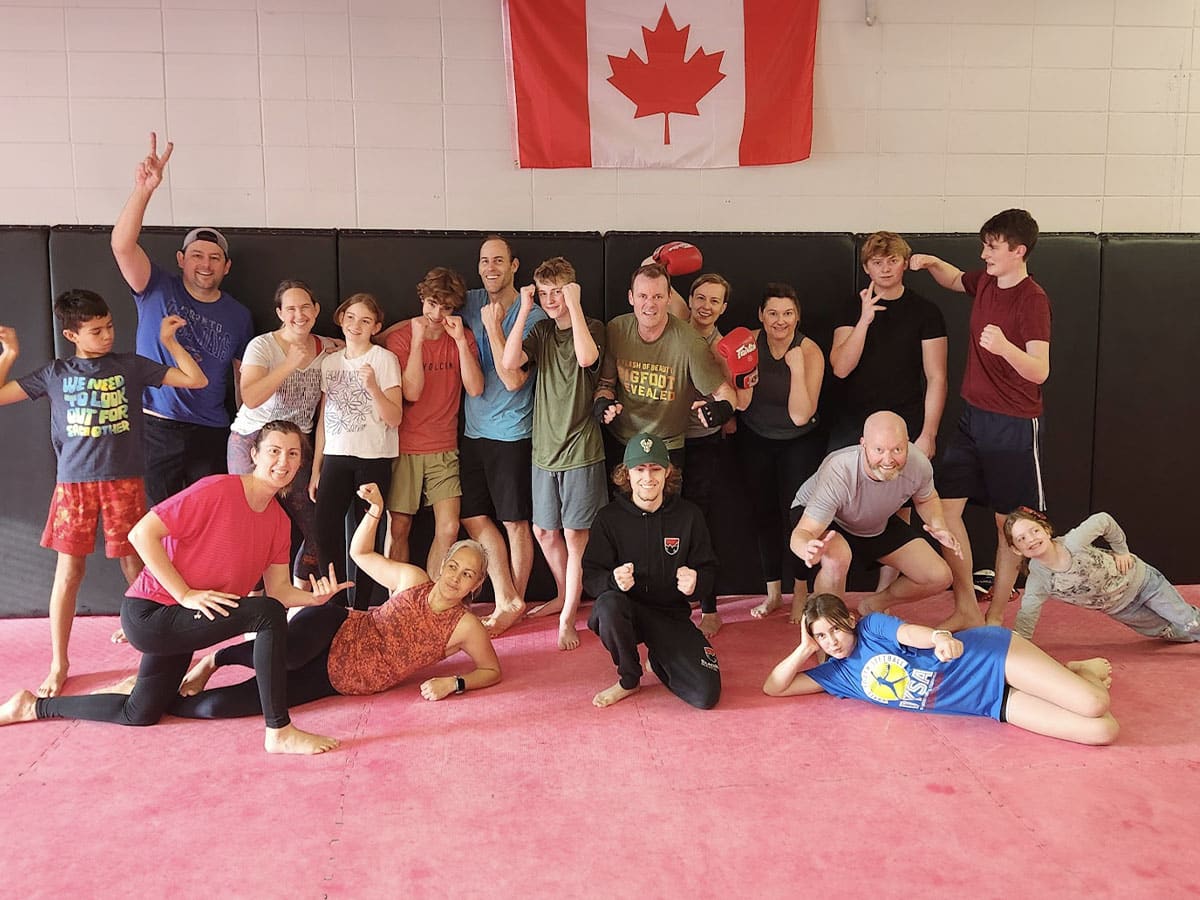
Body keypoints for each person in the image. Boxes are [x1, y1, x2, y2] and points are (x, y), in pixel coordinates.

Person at [0, 421, 346, 755]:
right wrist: (184, 594)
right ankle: (279, 731)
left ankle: (33, 706)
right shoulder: (217, 489)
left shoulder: (279, 522)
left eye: (292, 454)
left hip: (185, 620)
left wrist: (315, 598)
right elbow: (141, 534)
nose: (283, 461)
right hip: (151, 614)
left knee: (140, 712)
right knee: (267, 614)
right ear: (254, 454)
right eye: (274, 451)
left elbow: (280, 591)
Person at [0, 291, 206, 698]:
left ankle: (153, 639)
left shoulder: (129, 365)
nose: (107, 335)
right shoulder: (55, 372)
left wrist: (170, 343)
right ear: (71, 335)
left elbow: (195, 380)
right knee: (69, 573)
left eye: (109, 326)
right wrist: (9, 356)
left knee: (136, 565)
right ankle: (59, 662)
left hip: (123, 482)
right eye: (96, 331)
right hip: (74, 484)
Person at [170, 483, 501, 719]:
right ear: (443, 565)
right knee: (289, 656)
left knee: (225, 706)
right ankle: (216, 659)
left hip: (339, 679)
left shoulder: (466, 626)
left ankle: (164, 704)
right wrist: (375, 512)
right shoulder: (413, 579)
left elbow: (491, 670)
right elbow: (360, 553)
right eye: (453, 567)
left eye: (467, 574)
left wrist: (454, 683)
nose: (455, 578)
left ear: (477, 584)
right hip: (333, 628)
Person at [909, 209, 1050, 630]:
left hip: (1012, 425)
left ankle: (995, 615)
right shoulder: (986, 281)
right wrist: (932, 263)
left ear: (1018, 251)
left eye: (992, 246)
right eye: (984, 245)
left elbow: (1040, 370)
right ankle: (967, 605)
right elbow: (955, 279)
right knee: (943, 510)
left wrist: (1005, 347)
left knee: (1010, 525)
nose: (984, 254)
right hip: (973, 417)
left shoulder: (1032, 299)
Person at [763, 593, 1119, 746]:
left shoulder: (871, 628)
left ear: (851, 620)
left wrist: (938, 636)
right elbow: (774, 687)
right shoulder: (837, 675)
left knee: (1094, 704)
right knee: (1103, 732)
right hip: (987, 703)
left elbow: (908, 633)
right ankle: (1070, 673)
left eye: (836, 629)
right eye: (821, 636)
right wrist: (804, 648)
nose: (832, 641)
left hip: (989, 657)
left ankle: (1078, 672)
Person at [110, 133, 254, 505]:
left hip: (212, 429)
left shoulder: (239, 315)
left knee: (208, 518)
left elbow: (242, 377)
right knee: (159, 521)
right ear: (181, 259)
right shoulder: (155, 287)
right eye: (197, 256)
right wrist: (144, 190)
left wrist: (246, 429)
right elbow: (122, 246)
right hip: (156, 423)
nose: (205, 264)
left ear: (226, 266)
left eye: (214, 258)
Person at [493, 257, 607, 651]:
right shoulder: (541, 330)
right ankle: (563, 594)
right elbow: (509, 362)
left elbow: (586, 358)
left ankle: (567, 616)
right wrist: (525, 307)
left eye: (558, 291)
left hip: (580, 449)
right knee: (544, 531)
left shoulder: (591, 327)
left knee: (575, 536)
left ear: (572, 290)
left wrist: (573, 304)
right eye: (545, 293)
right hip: (544, 449)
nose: (551, 299)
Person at [829, 232, 949, 594]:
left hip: (904, 421)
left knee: (900, 504)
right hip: (853, 422)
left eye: (892, 261)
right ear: (866, 267)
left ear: (904, 263)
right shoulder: (852, 307)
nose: (885, 269)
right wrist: (865, 320)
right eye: (877, 262)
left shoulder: (926, 312)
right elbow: (840, 368)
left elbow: (937, 376)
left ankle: (882, 596)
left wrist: (928, 433)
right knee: (840, 500)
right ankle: (834, 590)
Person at [582, 432, 721, 709]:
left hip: (671, 617)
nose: (648, 477)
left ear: (667, 472)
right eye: (640, 469)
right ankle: (629, 679)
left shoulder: (689, 515)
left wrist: (697, 582)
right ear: (627, 473)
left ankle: (659, 660)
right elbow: (591, 576)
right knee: (608, 605)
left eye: (655, 469)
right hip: (627, 614)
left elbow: (709, 570)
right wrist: (612, 580)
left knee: (706, 695)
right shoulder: (608, 518)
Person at [789, 411, 961, 617]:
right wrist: (806, 548)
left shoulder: (919, 463)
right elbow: (802, 533)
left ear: (907, 443)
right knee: (837, 557)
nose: (888, 460)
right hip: (831, 521)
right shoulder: (839, 470)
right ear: (863, 444)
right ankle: (833, 625)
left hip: (873, 522)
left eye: (897, 449)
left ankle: (873, 605)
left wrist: (939, 525)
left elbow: (926, 498)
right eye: (879, 450)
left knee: (939, 576)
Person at [228, 280, 341, 586]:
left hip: (296, 445)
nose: (299, 315)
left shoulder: (328, 349)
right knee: (250, 526)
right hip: (252, 441)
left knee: (317, 529)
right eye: (290, 309)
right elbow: (250, 396)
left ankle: (296, 598)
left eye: (305, 307)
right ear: (279, 313)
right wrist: (290, 364)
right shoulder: (262, 346)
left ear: (316, 310)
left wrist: (316, 467)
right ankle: (253, 601)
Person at [462, 235, 547, 635]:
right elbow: (426, 314)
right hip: (472, 431)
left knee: (515, 522)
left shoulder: (534, 317)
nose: (490, 267)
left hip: (512, 433)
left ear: (514, 266)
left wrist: (494, 327)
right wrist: (362, 339)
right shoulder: (471, 300)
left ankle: (514, 602)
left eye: (498, 260)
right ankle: (507, 596)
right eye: (484, 261)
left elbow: (513, 379)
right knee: (472, 516)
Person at [379, 267, 483, 574]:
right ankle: (397, 597)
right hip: (405, 445)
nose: (437, 314)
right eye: (432, 304)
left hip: (444, 446)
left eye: (446, 307)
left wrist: (461, 342)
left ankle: (435, 598)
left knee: (449, 527)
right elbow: (411, 392)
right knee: (399, 526)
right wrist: (417, 341)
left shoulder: (462, 338)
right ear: (422, 299)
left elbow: (475, 388)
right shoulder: (401, 338)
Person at [593, 262, 740, 472]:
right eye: (643, 296)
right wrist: (603, 403)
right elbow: (606, 384)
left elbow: (725, 392)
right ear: (631, 298)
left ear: (669, 298)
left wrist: (722, 409)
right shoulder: (617, 329)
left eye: (657, 297)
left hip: (668, 445)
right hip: (623, 440)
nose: (650, 304)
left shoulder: (690, 341)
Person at [736, 283, 826, 623]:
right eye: (772, 313)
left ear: (797, 316)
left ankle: (801, 592)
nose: (780, 321)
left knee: (798, 518)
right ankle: (773, 593)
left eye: (788, 313)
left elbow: (801, 415)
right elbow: (740, 402)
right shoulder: (747, 343)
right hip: (756, 437)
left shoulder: (810, 350)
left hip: (799, 440)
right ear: (761, 315)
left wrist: (796, 368)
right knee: (763, 515)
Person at [310, 293, 403, 610]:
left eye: (365, 320)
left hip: (374, 458)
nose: (355, 325)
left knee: (368, 535)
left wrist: (374, 387)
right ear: (340, 319)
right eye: (350, 317)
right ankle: (334, 605)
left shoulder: (384, 360)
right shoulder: (330, 363)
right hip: (336, 457)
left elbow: (395, 417)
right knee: (325, 532)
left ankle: (362, 607)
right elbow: (324, 420)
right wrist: (316, 468)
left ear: (376, 326)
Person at [1005, 507, 1200, 643]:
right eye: (1022, 539)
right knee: (1172, 631)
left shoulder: (1074, 542)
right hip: (1122, 609)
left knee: (1188, 621)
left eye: (1035, 531)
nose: (1031, 539)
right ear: (1016, 549)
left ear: (1047, 530)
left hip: (1142, 582)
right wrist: (1019, 645)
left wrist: (1121, 550)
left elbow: (1103, 519)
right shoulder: (1039, 580)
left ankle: (1190, 617)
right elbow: (1028, 612)